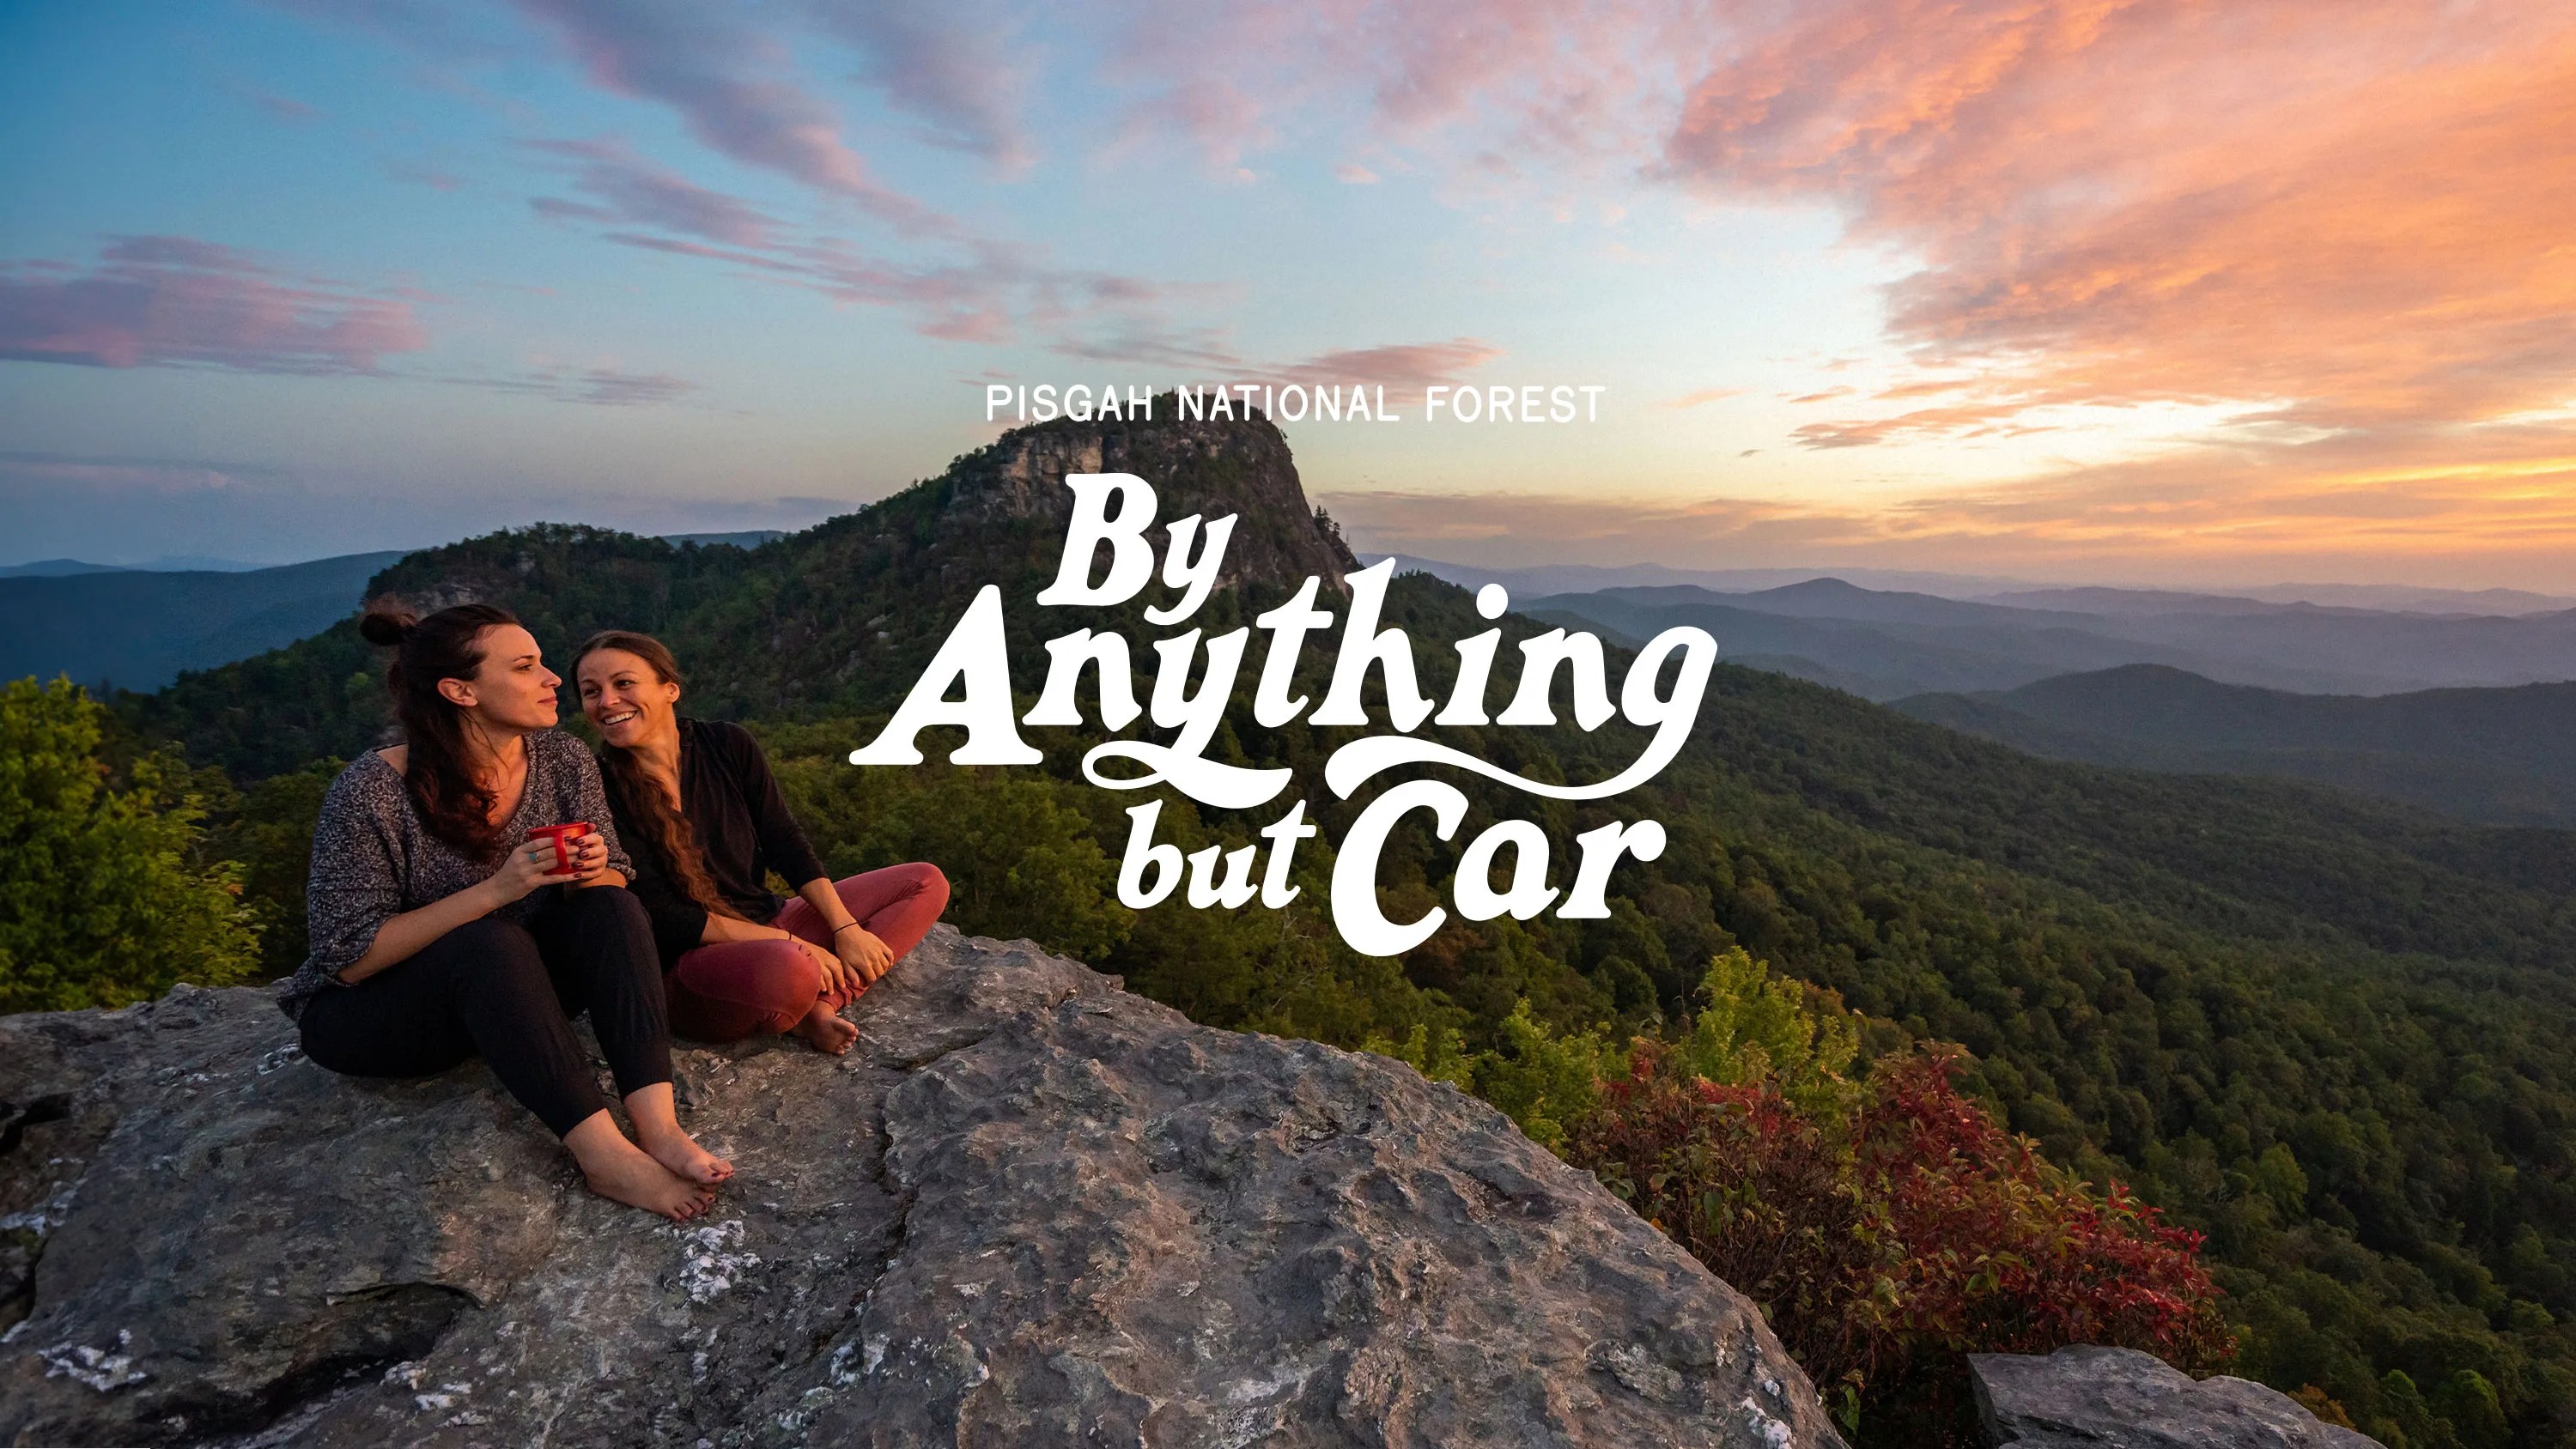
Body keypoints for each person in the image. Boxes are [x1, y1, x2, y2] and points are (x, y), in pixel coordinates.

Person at [282, 603, 733, 1222]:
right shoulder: (372, 790)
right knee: (487, 941)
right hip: (377, 1013)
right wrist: (496, 890)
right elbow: (348, 959)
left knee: (611, 905)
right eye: (525, 667)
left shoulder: (562, 758)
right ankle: (605, 1158)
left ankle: (658, 1127)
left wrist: (594, 867)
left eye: (543, 663)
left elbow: (611, 879)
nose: (552, 679)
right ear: (460, 691)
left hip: (510, 997)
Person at [571, 630, 948, 1056]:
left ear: (669, 689)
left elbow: (783, 840)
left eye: (623, 683)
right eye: (591, 692)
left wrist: (843, 928)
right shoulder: (597, 787)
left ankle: (823, 1005)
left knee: (924, 881)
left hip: (769, 918)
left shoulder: (726, 744)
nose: (607, 701)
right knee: (790, 970)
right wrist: (795, 945)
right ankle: (801, 993)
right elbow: (663, 915)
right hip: (692, 963)